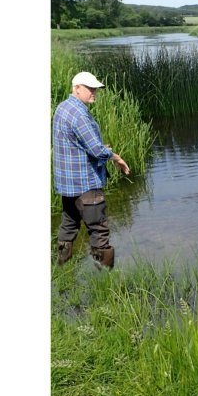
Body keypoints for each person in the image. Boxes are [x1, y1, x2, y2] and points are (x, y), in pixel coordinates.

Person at [53, 70, 130, 267]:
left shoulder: (62, 108)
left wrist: (101, 149)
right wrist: (115, 157)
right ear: (76, 88)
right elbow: (96, 150)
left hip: (68, 185)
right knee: (99, 230)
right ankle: (105, 276)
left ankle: (61, 266)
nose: (94, 91)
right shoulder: (79, 114)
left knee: (69, 225)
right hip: (86, 182)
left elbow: (74, 144)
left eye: (95, 88)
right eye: (90, 88)